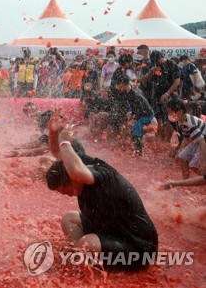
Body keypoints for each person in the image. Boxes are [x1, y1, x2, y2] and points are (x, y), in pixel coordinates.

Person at [45, 108, 158, 269]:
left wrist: (64, 140)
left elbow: (74, 169)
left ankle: (82, 255)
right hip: (111, 231)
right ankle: (79, 256)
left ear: (72, 179)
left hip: (139, 247)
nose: (69, 196)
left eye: (67, 191)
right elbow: (57, 153)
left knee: (86, 243)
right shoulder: (82, 164)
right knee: (69, 219)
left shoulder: (99, 174)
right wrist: (52, 133)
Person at [115, 74, 155, 156]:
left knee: (136, 133)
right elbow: (134, 107)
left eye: (118, 84)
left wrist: (134, 117)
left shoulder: (134, 94)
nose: (117, 86)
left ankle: (138, 152)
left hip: (146, 115)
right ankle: (138, 148)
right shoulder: (129, 93)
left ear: (122, 83)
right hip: (143, 114)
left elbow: (140, 108)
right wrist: (132, 115)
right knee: (134, 132)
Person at [166, 98, 206, 179]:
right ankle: (185, 181)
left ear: (180, 111)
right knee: (181, 158)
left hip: (203, 141)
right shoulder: (180, 121)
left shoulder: (190, 123)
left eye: (170, 111)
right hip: (199, 141)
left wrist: (203, 161)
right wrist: (180, 150)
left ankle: (202, 180)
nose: (168, 114)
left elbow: (202, 143)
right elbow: (186, 139)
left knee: (194, 166)